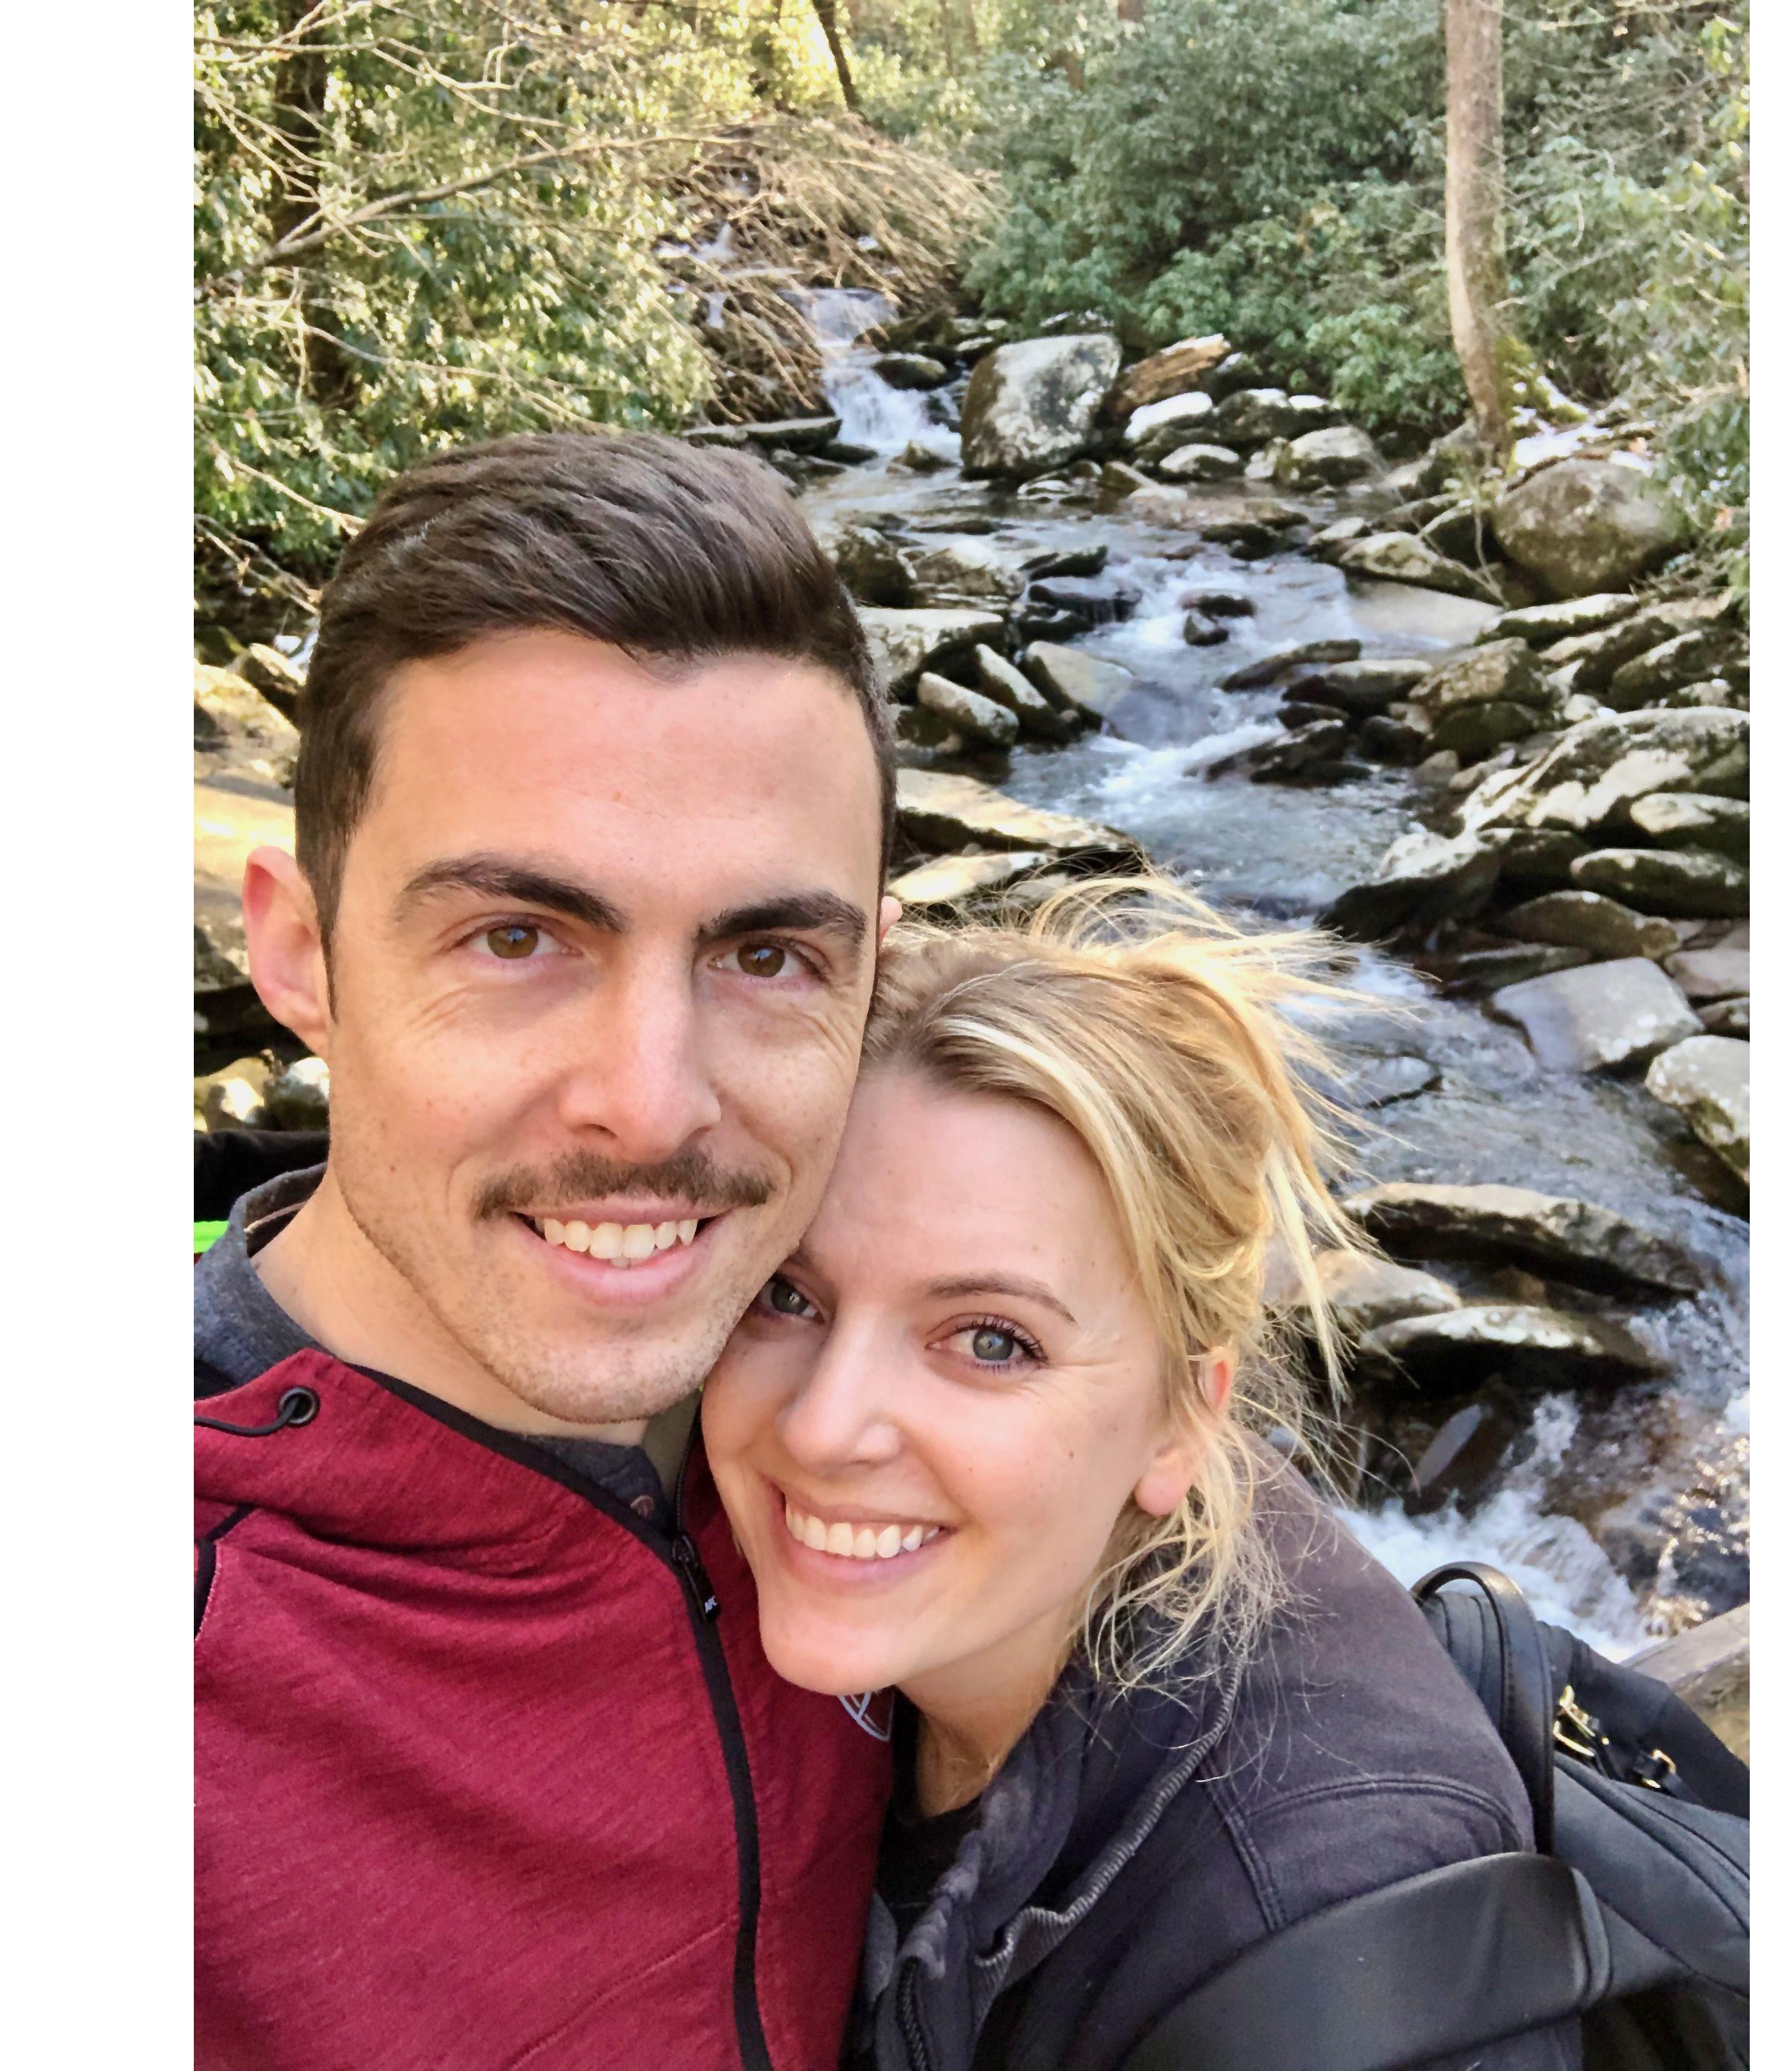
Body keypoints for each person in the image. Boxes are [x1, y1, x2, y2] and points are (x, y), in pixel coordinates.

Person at [195, 431, 903, 2069]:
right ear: (298, 950)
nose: (648, 1102)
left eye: (769, 952)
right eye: (516, 937)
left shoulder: (881, 1432)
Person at [699, 880, 1581, 2071]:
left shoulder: (1319, 1941)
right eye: (785, 1294)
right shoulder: (1008, 1570)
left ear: (1183, 1421)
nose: (821, 1427)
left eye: (991, 1340)